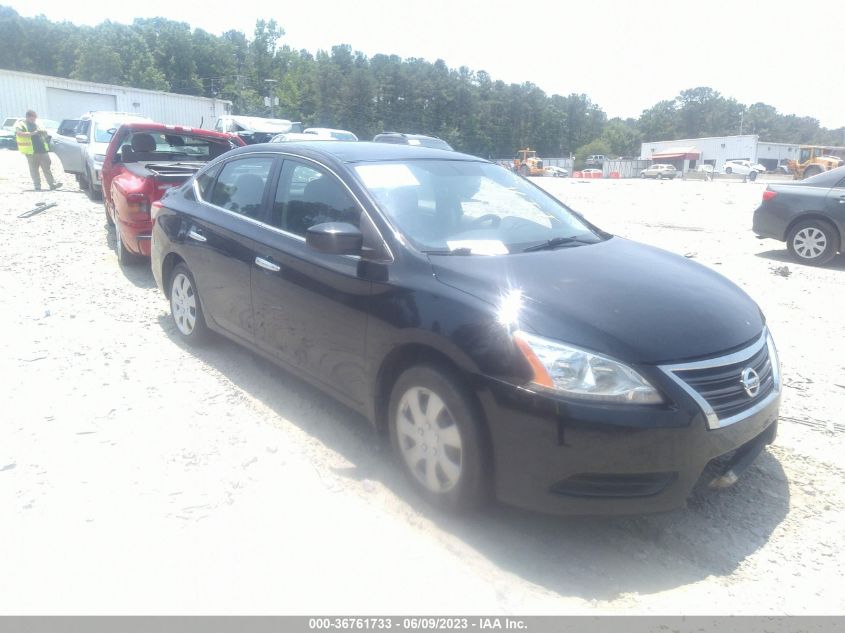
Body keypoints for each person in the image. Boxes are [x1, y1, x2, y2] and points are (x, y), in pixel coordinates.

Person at [15, 110, 62, 191]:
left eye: (35, 118)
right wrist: (33, 133)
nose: (34, 120)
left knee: (47, 168)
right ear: (28, 117)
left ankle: (52, 184)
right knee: (34, 169)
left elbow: (45, 134)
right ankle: (37, 186)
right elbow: (19, 133)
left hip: (42, 150)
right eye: (33, 118)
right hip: (31, 151)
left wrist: (44, 133)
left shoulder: (38, 123)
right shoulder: (20, 124)